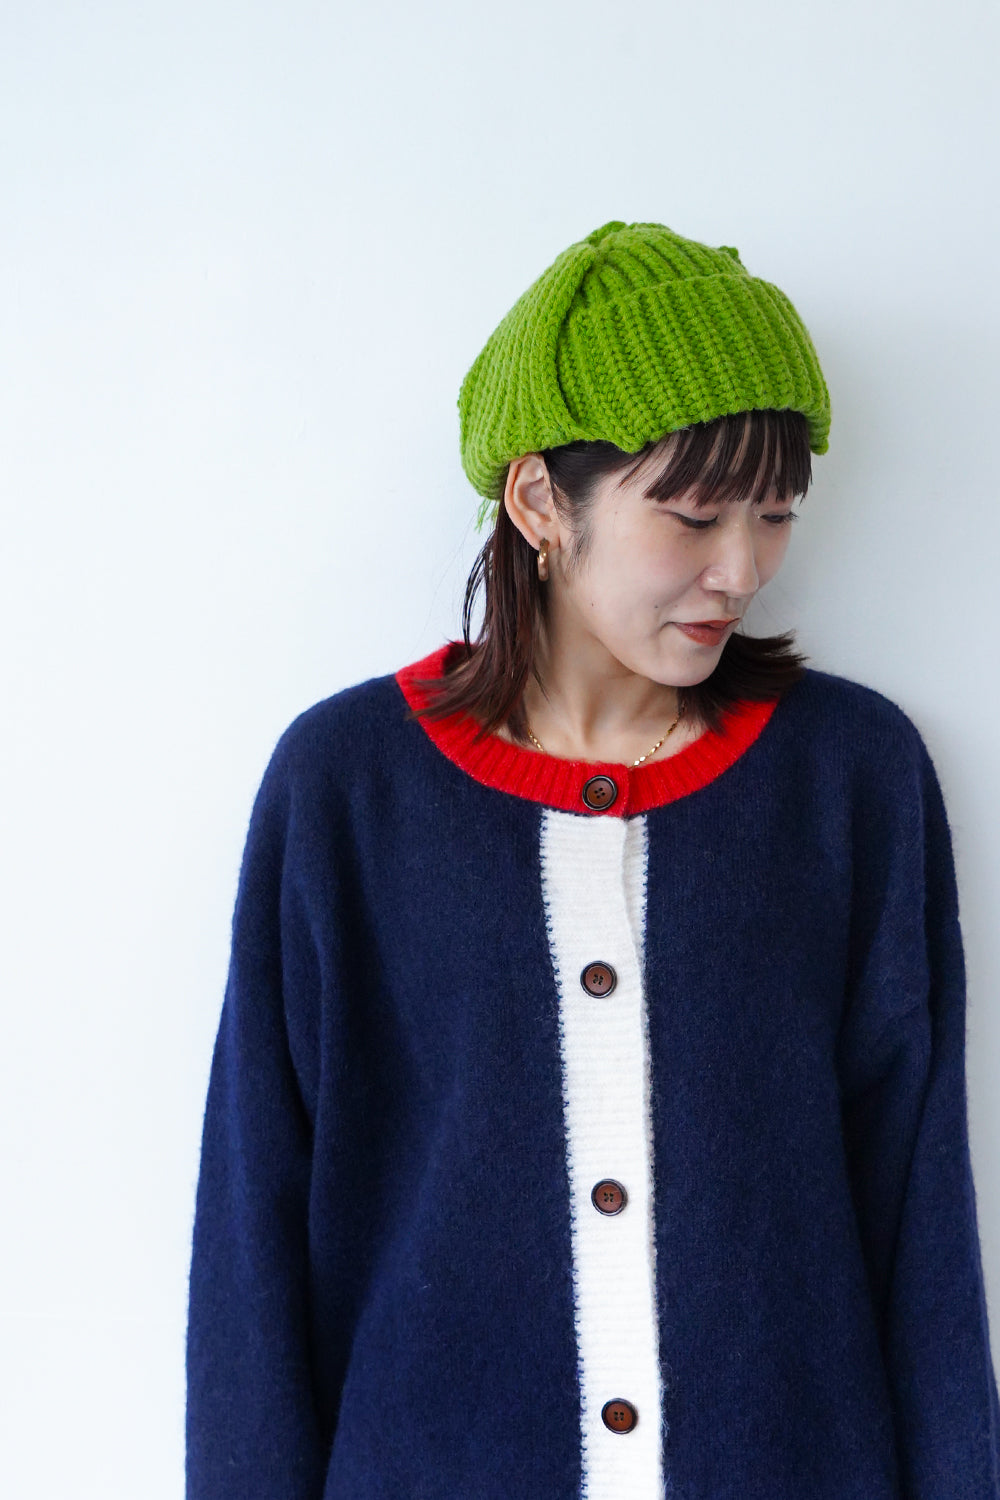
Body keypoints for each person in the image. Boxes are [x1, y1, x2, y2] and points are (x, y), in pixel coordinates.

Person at [184, 220, 1000, 1499]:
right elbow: (254, 1234)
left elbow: (917, 1212)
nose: (741, 569)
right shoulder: (347, 786)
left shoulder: (849, 777)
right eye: (693, 515)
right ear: (538, 504)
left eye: (776, 514)